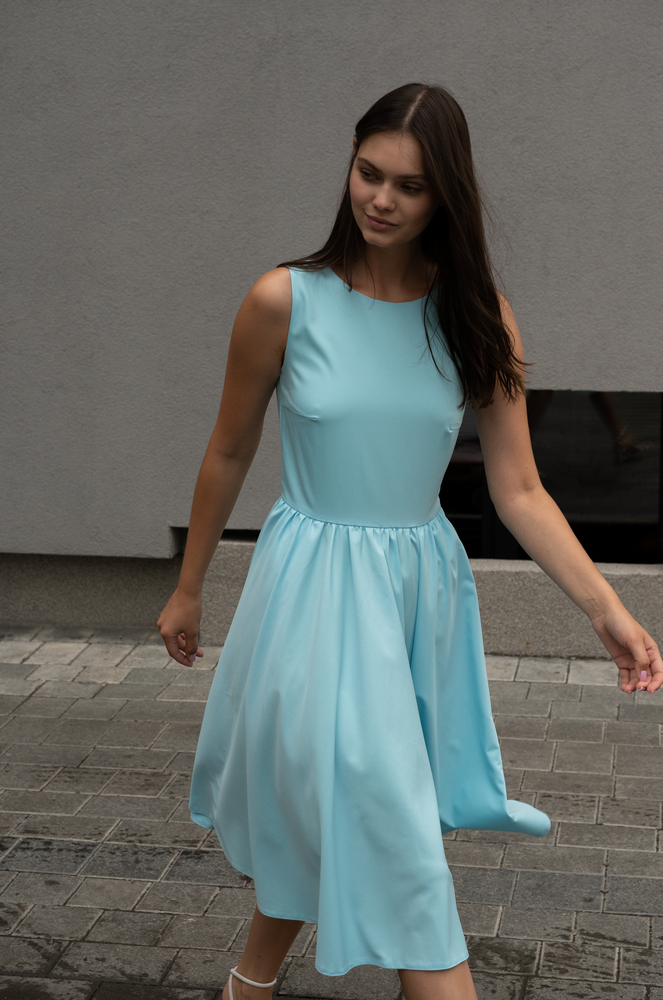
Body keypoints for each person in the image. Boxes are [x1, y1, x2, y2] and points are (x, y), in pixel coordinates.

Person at [157, 83, 662, 1000]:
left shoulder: (474, 315)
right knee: (380, 812)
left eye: (410, 185)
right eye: (368, 173)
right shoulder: (283, 299)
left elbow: (519, 489)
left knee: (358, 802)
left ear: (445, 197)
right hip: (310, 596)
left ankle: (247, 985)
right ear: (348, 166)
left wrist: (608, 612)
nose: (381, 199)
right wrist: (190, 586)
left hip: (415, 595)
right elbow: (228, 449)